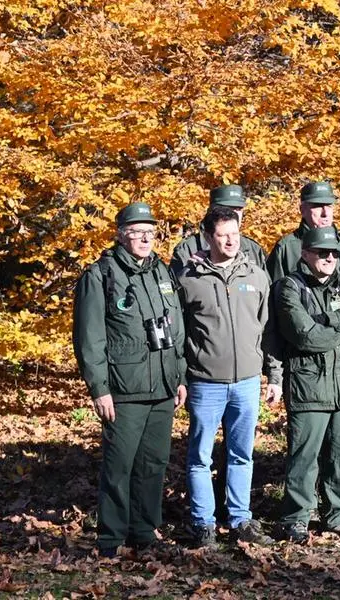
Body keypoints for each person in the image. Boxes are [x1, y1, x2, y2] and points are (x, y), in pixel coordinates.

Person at [72, 202, 187, 557]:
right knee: (119, 465)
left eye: (150, 232)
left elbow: (177, 328)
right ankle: (111, 537)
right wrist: (99, 388)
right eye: (137, 232)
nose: (145, 238)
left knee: (153, 464)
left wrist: (179, 376)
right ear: (122, 235)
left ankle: (144, 530)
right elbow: (89, 339)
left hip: (164, 387)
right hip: (124, 389)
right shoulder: (100, 275)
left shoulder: (162, 272)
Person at [176, 206, 280, 547]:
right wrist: (181, 377)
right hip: (205, 382)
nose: (231, 240)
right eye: (223, 234)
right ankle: (203, 522)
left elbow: (269, 330)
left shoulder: (256, 275)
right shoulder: (189, 279)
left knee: (241, 454)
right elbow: (178, 336)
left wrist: (274, 375)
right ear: (208, 237)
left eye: (234, 233)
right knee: (200, 456)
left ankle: (240, 520)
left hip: (248, 382)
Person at [268, 227, 340, 542]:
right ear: (305, 254)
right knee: (304, 457)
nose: (329, 258)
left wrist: (328, 320)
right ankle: (296, 517)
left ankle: (338, 514)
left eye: (334, 253)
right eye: (322, 253)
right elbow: (305, 336)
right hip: (308, 386)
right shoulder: (289, 287)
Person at [265, 181, 340, 281]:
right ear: (302, 210)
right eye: (318, 206)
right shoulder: (287, 248)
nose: (325, 213)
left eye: (329, 206)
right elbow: (273, 292)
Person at [170, 184, 267, 276]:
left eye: (238, 209)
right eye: (228, 208)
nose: (234, 214)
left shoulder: (253, 249)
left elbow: (266, 288)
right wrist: (189, 270)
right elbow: (176, 286)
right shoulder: (189, 248)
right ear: (212, 210)